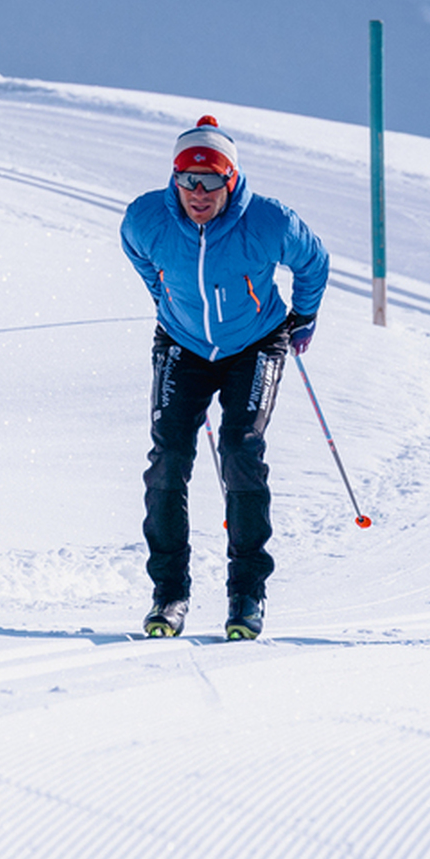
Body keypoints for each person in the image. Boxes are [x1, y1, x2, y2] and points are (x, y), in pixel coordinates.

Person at [120, 116, 330, 640]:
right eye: (187, 180)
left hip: (255, 342)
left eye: (211, 180)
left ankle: (246, 593)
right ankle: (169, 594)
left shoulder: (269, 221)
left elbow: (314, 262)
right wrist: (165, 296)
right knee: (168, 457)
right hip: (181, 343)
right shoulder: (146, 218)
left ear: (230, 179)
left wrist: (303, 317)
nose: (198, 193)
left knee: (240, 447)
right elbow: (142, 259)